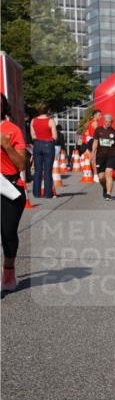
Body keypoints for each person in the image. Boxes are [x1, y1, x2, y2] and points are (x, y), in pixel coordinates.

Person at [1, 94, 28, 292]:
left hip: (9, 186)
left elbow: (21, 164)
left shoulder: (13, 130)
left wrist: (6, 145)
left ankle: (8, 269)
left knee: (8, 234)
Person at [29, 103, 58, 198]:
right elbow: (55, 136)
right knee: (47, 171)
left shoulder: (33, 121)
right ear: (48, 110)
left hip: (37, 144)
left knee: (37, 170)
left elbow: (33, 136)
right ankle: (47, 193)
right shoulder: (50, 121)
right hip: (48, 145)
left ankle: (36, 193)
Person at [91, 113, 115, 201]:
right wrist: (93, 153)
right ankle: (104, 187)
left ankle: (108, 193)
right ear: (104, 121)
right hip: (100, 156)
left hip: (112, 156)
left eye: (109, 122)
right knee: (101, 177)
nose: (108, 123)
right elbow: (95, 142)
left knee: (109, 172)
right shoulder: (98, 130)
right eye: (106, 121)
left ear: (112, 122)